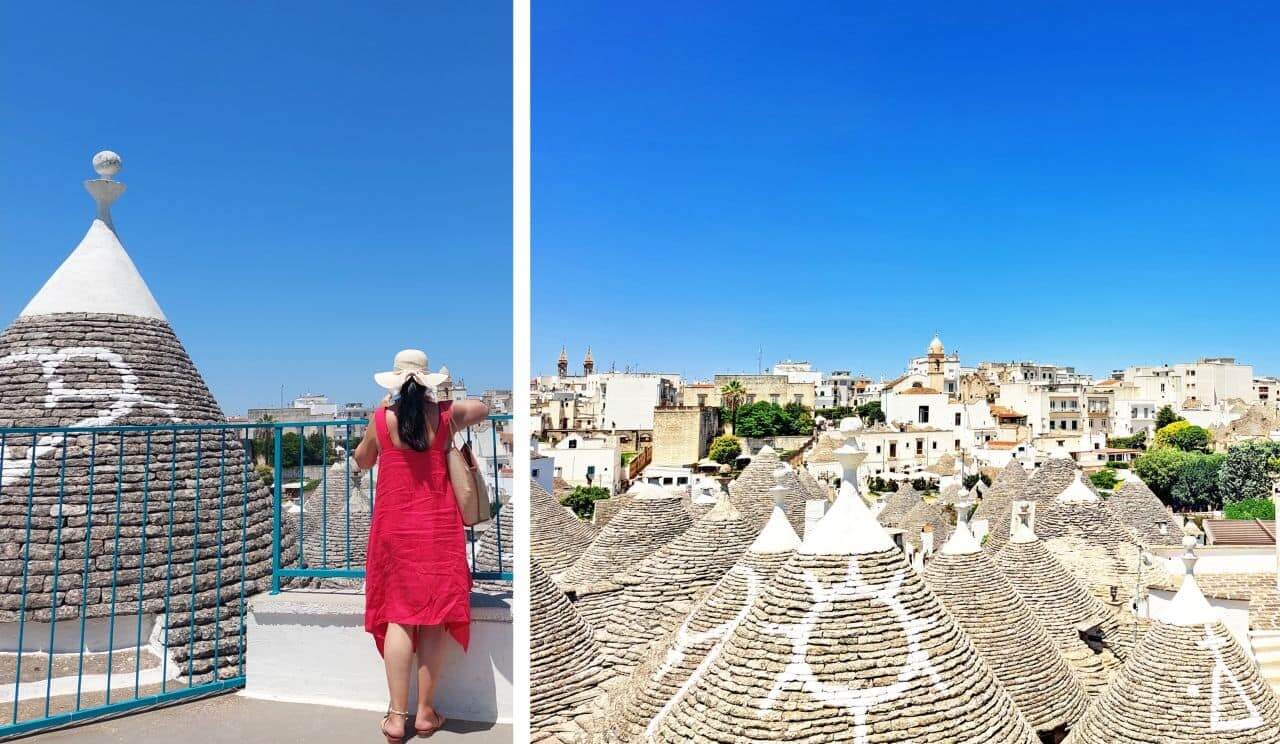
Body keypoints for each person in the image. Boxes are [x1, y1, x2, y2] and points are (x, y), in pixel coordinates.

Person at [354, 349, 490, 742]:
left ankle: (397, 717)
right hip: (437, 531)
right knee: (434, 618)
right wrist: (444, 399)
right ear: (428, 381)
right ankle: (427, 713)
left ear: (394, 383)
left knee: (399, 617)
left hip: (394, 530)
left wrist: (378, 418)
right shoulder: (446, 416)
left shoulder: (381, 419)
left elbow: (362, 461)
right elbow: (482, 407)